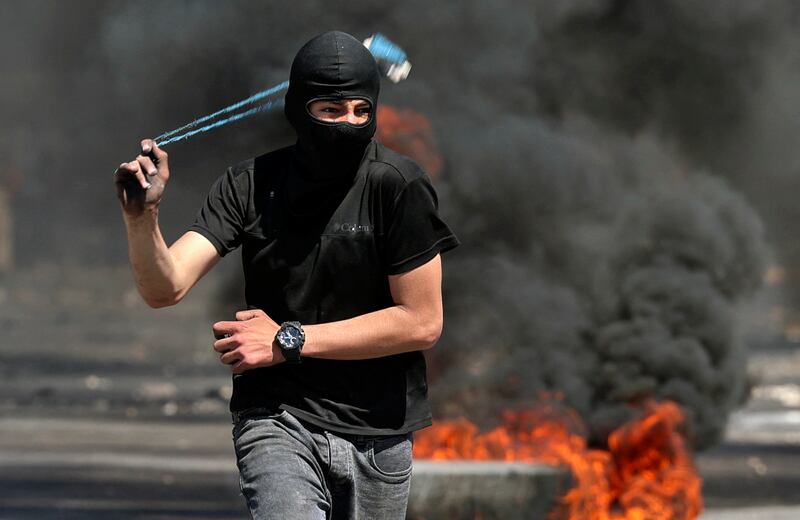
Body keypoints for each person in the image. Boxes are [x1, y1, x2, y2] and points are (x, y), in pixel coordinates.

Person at [114, 31, 458, 519]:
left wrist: (289, 340)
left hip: (379, 433)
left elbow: (422, 321)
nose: (349, 123)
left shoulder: (397, 187)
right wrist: (141, 218)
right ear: (300, 109)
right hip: (278, 420)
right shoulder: (249, 185)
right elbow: (164, 287)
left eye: (362, 110)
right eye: (331, 111)